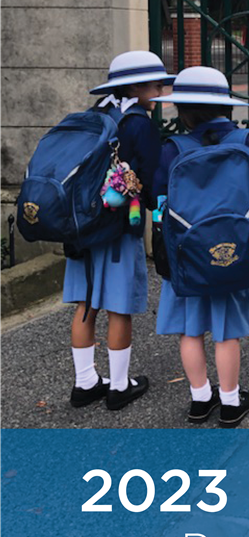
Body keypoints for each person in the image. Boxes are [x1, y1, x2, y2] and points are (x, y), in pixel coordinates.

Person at [152, 66, 249, 427]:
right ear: (226, 106)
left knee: (190, 330)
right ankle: (230, 401)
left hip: (187, 254)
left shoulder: (172, 148)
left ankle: (199, 398)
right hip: (234, 250)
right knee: (226, 333)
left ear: (183, 110)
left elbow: (158, 200)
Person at [65, 50, 171, 411]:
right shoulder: (138, 125)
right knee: (119, 306)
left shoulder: (95, 114)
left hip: (80, 225)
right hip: (118, 228)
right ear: (138, 87)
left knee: (85, 304)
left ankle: (85, 383)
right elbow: (153, 181)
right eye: (157, 84)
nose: (162, 91)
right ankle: (119, 386)